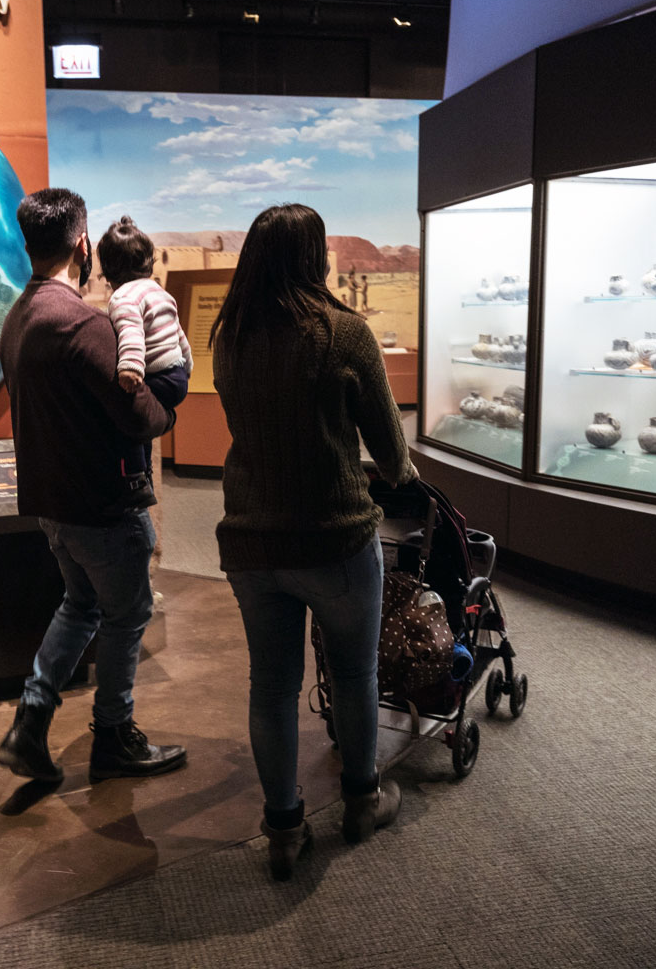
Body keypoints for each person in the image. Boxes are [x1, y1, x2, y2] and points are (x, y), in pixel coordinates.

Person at [212, 203, 416, 881]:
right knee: (355, 675)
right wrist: (401, 473)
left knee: (270, 688)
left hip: (250, 543)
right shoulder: (343, 333)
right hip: (335, 540)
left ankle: (284, 829)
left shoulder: (229, 336)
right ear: (314, 255)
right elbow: (390, 455)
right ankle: (361, 803)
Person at [0, 188, 187, 785]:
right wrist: (167, 413)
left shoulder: (18, 317)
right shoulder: (80, 322)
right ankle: (114, 736)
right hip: (103, 506)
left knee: (80, 605)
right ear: (81, 245)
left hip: (52, 505)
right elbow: (137, 412)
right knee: (127, 616)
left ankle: (31, 720)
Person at [98, 215, 194, 502]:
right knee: (142, 429)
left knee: (125, 418)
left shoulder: (123, 298)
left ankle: (135, 479)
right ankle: (144, 474)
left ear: (109, 271)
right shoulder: (159, 292)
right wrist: (187, 366)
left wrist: (129, 368)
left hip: (155, 376)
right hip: (176, 375)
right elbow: (178, 333)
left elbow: (131, 334)